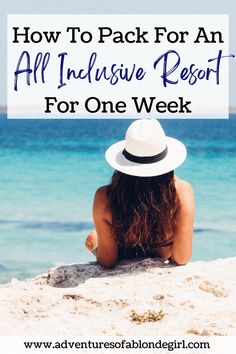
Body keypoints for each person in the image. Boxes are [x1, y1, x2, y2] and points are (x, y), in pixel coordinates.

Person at [85, 119, 194, 268]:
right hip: (161, 256)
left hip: (122, 259)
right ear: (166, 162)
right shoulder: (181, 191)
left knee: (91, 237)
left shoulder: (105, 196)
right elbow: (181, 258)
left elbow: (108, 261)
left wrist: (94, 246)